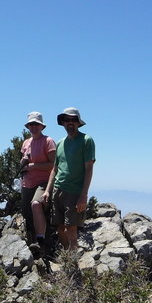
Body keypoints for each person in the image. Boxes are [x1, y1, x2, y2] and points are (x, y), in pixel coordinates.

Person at [42, 107, 96, 252]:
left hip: (74, 192)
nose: (70, 123)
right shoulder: (60, 143)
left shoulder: (86, 140)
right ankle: (68, 257)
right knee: (59, 228)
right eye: (66, 120)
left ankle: (73, 262)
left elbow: (89, 168)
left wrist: (83, 195)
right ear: (63, 123)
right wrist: (48, 190)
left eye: (73, 120)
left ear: (78, 123)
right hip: (58, 191)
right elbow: (55, 169)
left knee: (71, 229)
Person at [19, 111, 56, 254]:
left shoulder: (48, 141)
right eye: (31, 124)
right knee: (27, 213)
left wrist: (33, 166)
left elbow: (54, 164)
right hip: (27, 182)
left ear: (41, 126)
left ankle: (41, 241)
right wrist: (23, 164)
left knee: (36, 204)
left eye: (36, 124)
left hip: (43, 181)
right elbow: (24, 161)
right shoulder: (26, 143)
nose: (33, 127)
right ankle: (32, 244)